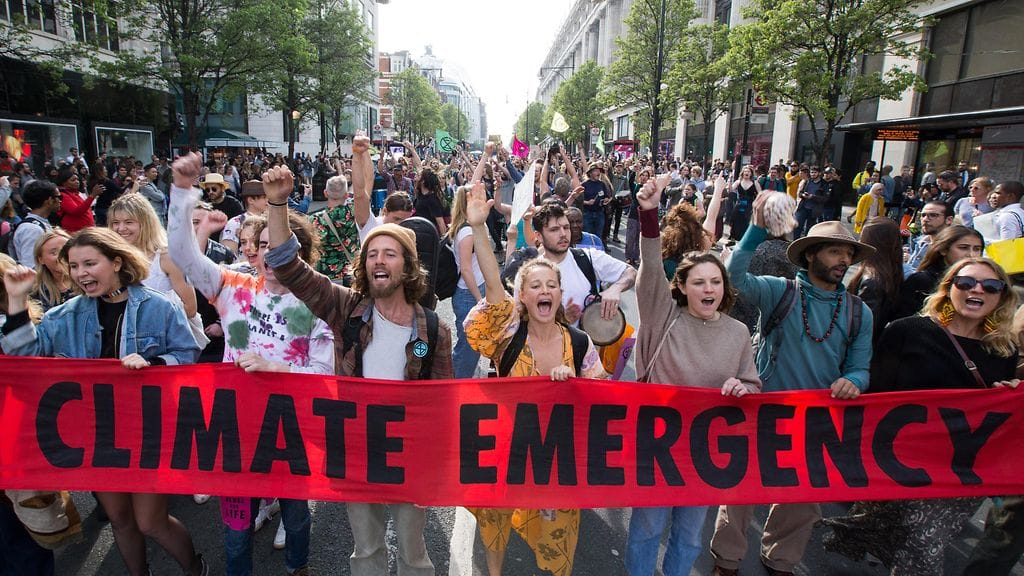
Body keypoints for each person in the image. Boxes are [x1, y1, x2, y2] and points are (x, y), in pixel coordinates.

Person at [261, 139, 451, 576]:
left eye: (390, 254)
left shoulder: (431, 328)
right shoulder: (346, 307)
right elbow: (288, 266)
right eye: (371, 255)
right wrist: (277, 205)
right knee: (365, 553)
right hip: (357, 449)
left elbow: (439, 398)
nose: (378, 261)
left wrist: (436, 461)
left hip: (408, 454)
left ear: (408, 265)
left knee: (413, 554)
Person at [1, 227, 205, 576]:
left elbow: (188, 355)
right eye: (75, 265)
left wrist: (154, 364)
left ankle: (194, 569)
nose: (81, 273)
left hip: (148, 434)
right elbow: (26, 359)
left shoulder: (159, 305)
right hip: (95, 437)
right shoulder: (64, 315)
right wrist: (18, 300)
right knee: (120, 520)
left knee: (149, 522)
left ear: (116, 262)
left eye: (90, 263)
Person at [167, 153, 332, 576]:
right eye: (259, 247)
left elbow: (326, 373)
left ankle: (299, 566)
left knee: (296, 516)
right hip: (234, 429)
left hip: (292, 430)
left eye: (276, 247)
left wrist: (280, 371)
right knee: (236, 528)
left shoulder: (320, 299)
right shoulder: (232, 287)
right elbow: (183, 255)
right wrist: (183, 191)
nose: (266, 255)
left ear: (300, 252)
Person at [823, 258, 1020, 576]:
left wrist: (1006, 393)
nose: (977, 290)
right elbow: (877, 393)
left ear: (1001, 296)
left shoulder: (1003, 350)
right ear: (949, 289)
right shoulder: (908, 332)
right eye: (966, 283)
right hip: (900, 459)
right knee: (896, 528)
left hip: (958, 470)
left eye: (990, 286)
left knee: (923, 542)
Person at [711, 207, 875, 576]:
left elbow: (861, 367)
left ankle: (781, 559)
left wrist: (855, 382)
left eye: (848, 254)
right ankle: (727, 559)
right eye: (835, 251)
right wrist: (754, 229)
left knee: (802, 500)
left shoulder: (858, 312)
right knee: (741, 491)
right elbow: (734, 278)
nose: (844, 260)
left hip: (818, 421)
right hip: (761, 412)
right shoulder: (780, 290)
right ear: (811, 254)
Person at [462, 178, 606, 576]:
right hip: (504, 446)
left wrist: (575, 384)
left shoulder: (579, 343)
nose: (544, 291)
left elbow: (603, 395)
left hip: (556, 457)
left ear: (560, 294)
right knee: (493, 522)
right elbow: (493, 286)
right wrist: (477, 227)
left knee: (559, 534)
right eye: (535, 286)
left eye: (551, 285)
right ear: (523, 296)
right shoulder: (509, 329)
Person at [626, 172, 760, 576]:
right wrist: (648, 215)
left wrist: (743, 387)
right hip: (658, 448)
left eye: (716, 282)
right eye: (699, 281)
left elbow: (753, 384)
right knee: (648, 531)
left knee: (688, 537)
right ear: (681, 287)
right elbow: (650, 265)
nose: (709, 289)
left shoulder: (738, 333)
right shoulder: (660, 316)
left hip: (707, 453)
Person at [503, 202, 636, 328]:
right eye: (554, 230)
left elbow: (630, 272)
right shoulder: (527, 274)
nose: (563, 234)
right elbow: (519, 321)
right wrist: (562, 320)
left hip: (584, 349)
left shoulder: (588, 257)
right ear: (539, 236)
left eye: (566, 227)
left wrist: (615, 289)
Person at [895, 225, 984, 319]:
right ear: (944, 250)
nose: (971, 254)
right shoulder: (921, 281)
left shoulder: (982, 283)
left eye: (977, 249)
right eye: (963, 248)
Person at [449, 182, 486, 378]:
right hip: (468, 295)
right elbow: (465, 269)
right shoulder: (467, 232)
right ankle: (457, 385)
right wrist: (479, 298)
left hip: (470, 293)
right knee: (468, 348)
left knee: (472, 345)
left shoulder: (467, 226)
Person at [847, 217, 903, 345]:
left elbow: (862, 327)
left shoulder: (872, 281)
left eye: (863, 238)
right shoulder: (891, 272)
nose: (859, 241)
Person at [309, 172, 359, 282]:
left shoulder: (315, 219)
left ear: (325, 193)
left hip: (326, 276)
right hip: (351, 272)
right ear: (346, 195)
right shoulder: (354, 211)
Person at [10, 181, 58, 268]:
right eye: (59, 197)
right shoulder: (32, 229)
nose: (60, 200)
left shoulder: (41, 223)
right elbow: (30, 265)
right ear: (50, 200)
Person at [221, 180, 268, 254]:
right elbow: (229, 256)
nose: (268, 200)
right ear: (251, 200)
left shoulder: (270, 221)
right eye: (264, 197)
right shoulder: (235, 223)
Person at [31, 229, 73, 310]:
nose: (62, 256)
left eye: (66, 249)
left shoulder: (87, 283)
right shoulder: (35, 292)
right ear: (41, 260)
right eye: (54, 253)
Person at [906, 200, 954, 272]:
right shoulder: (921, 242)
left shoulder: (952, 247)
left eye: (933, 215)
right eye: (923, 215)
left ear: (949, 220)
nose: (925, 219)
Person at [54, 168, 100, 232]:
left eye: (77, 179)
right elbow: (76, 211)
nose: (77, 182)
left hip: (86, 231)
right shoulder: (63, 195)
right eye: (73, 180)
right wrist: (92, 195)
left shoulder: (75, 193)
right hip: (76, 233)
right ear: (64, 183)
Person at [728, 165, 761, 240]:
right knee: (736, 220)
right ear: (742, 173)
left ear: (751, 174)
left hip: (749, 205)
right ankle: (734, 238)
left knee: (747, 221)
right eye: (745, 171)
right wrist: (730, 179)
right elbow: (731, 190)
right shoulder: (738, 182)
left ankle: (746, 238)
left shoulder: (755, 182)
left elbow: (760, 194)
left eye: (748, 171)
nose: (747, 173)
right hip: (739, 204)